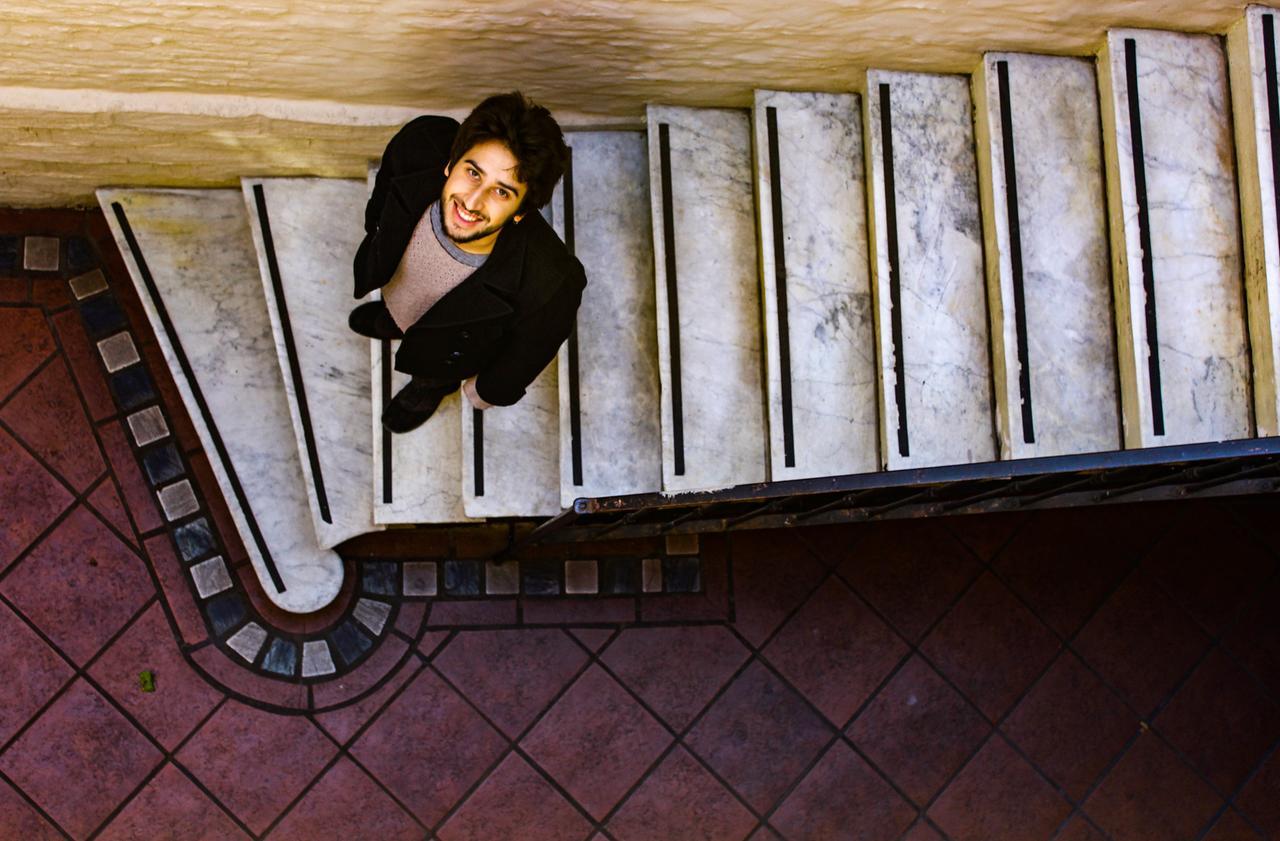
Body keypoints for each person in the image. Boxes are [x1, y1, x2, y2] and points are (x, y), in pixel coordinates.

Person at [350, 91, 585, 433]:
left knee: (432, 369)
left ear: (521, 212)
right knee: (396, 309)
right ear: (450, 163)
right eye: (473, 173)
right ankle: (391, 320)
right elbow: (382, 203)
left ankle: (427, 390)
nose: (472, 202)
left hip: (448, 348)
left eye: (501, 191)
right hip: (400, 290)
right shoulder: (419, 144)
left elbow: (529, 351)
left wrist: (486, 390)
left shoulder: (552, 280)